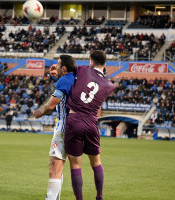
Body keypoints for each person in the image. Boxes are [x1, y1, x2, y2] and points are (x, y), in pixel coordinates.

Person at [64, 50, 115, 200]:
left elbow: (69, 67)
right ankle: (99, 196)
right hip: (92, 122)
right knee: (96, 161)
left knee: (75, 164)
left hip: (74, 119)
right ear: (105, 64)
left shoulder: (83, 70)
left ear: (91, 62)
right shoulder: (109, 86)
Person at [33, 55, 76, 200]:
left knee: (54, 166)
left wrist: (40, 113)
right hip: (78, 128)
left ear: (64, 68)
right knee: (61, 167)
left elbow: (51, 105)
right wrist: (57, 75)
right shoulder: (76, 77)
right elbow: (67, 84)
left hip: (64, 127)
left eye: (58, 64)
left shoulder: (64, 80)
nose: (55, 66)